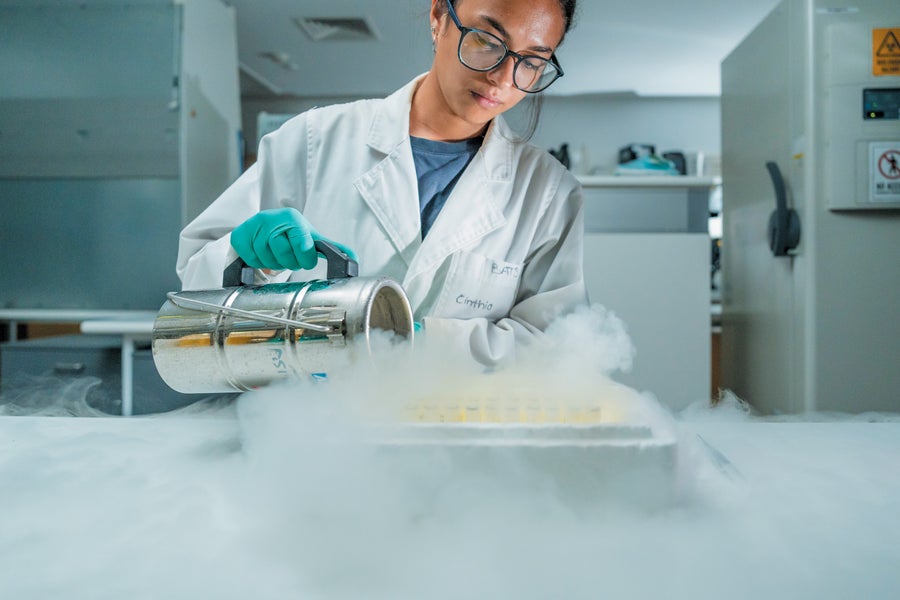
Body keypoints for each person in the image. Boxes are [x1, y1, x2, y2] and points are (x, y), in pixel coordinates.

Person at [177, 0, 586, 368]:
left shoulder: (549, 192)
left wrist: (412, 341)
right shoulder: (314, 139)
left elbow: (553, 346)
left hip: (454, 434)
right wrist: (250, 259)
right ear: (439, 17)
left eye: (531, 61)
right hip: (299, 426)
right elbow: (194, 292)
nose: (503, 78)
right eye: (486, 39)